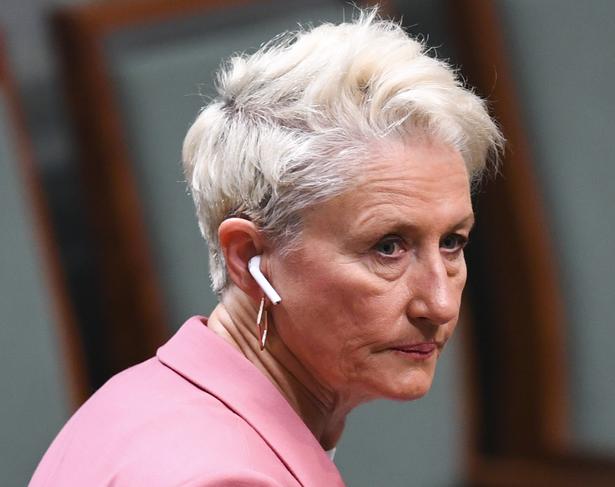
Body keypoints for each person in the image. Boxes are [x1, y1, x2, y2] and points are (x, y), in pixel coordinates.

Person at [30, 8, 502, 486]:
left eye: (451, 242)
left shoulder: (140, 399)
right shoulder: (225, 478)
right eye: (388, 248)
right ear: (247, 257)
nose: (439, 305)